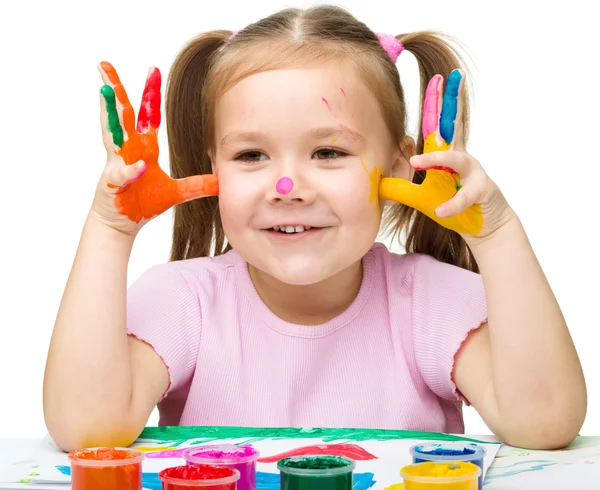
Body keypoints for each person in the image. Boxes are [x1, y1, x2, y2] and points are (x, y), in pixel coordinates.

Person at [43, 5, 586, 453]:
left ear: (400, 166)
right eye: (251, 154)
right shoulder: (184, 301)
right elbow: (88, 431)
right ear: (214, 167)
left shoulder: (430, 299)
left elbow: (543, 424)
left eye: (328, 151)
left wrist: (496, 235)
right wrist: (109, 231)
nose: (287, 186)